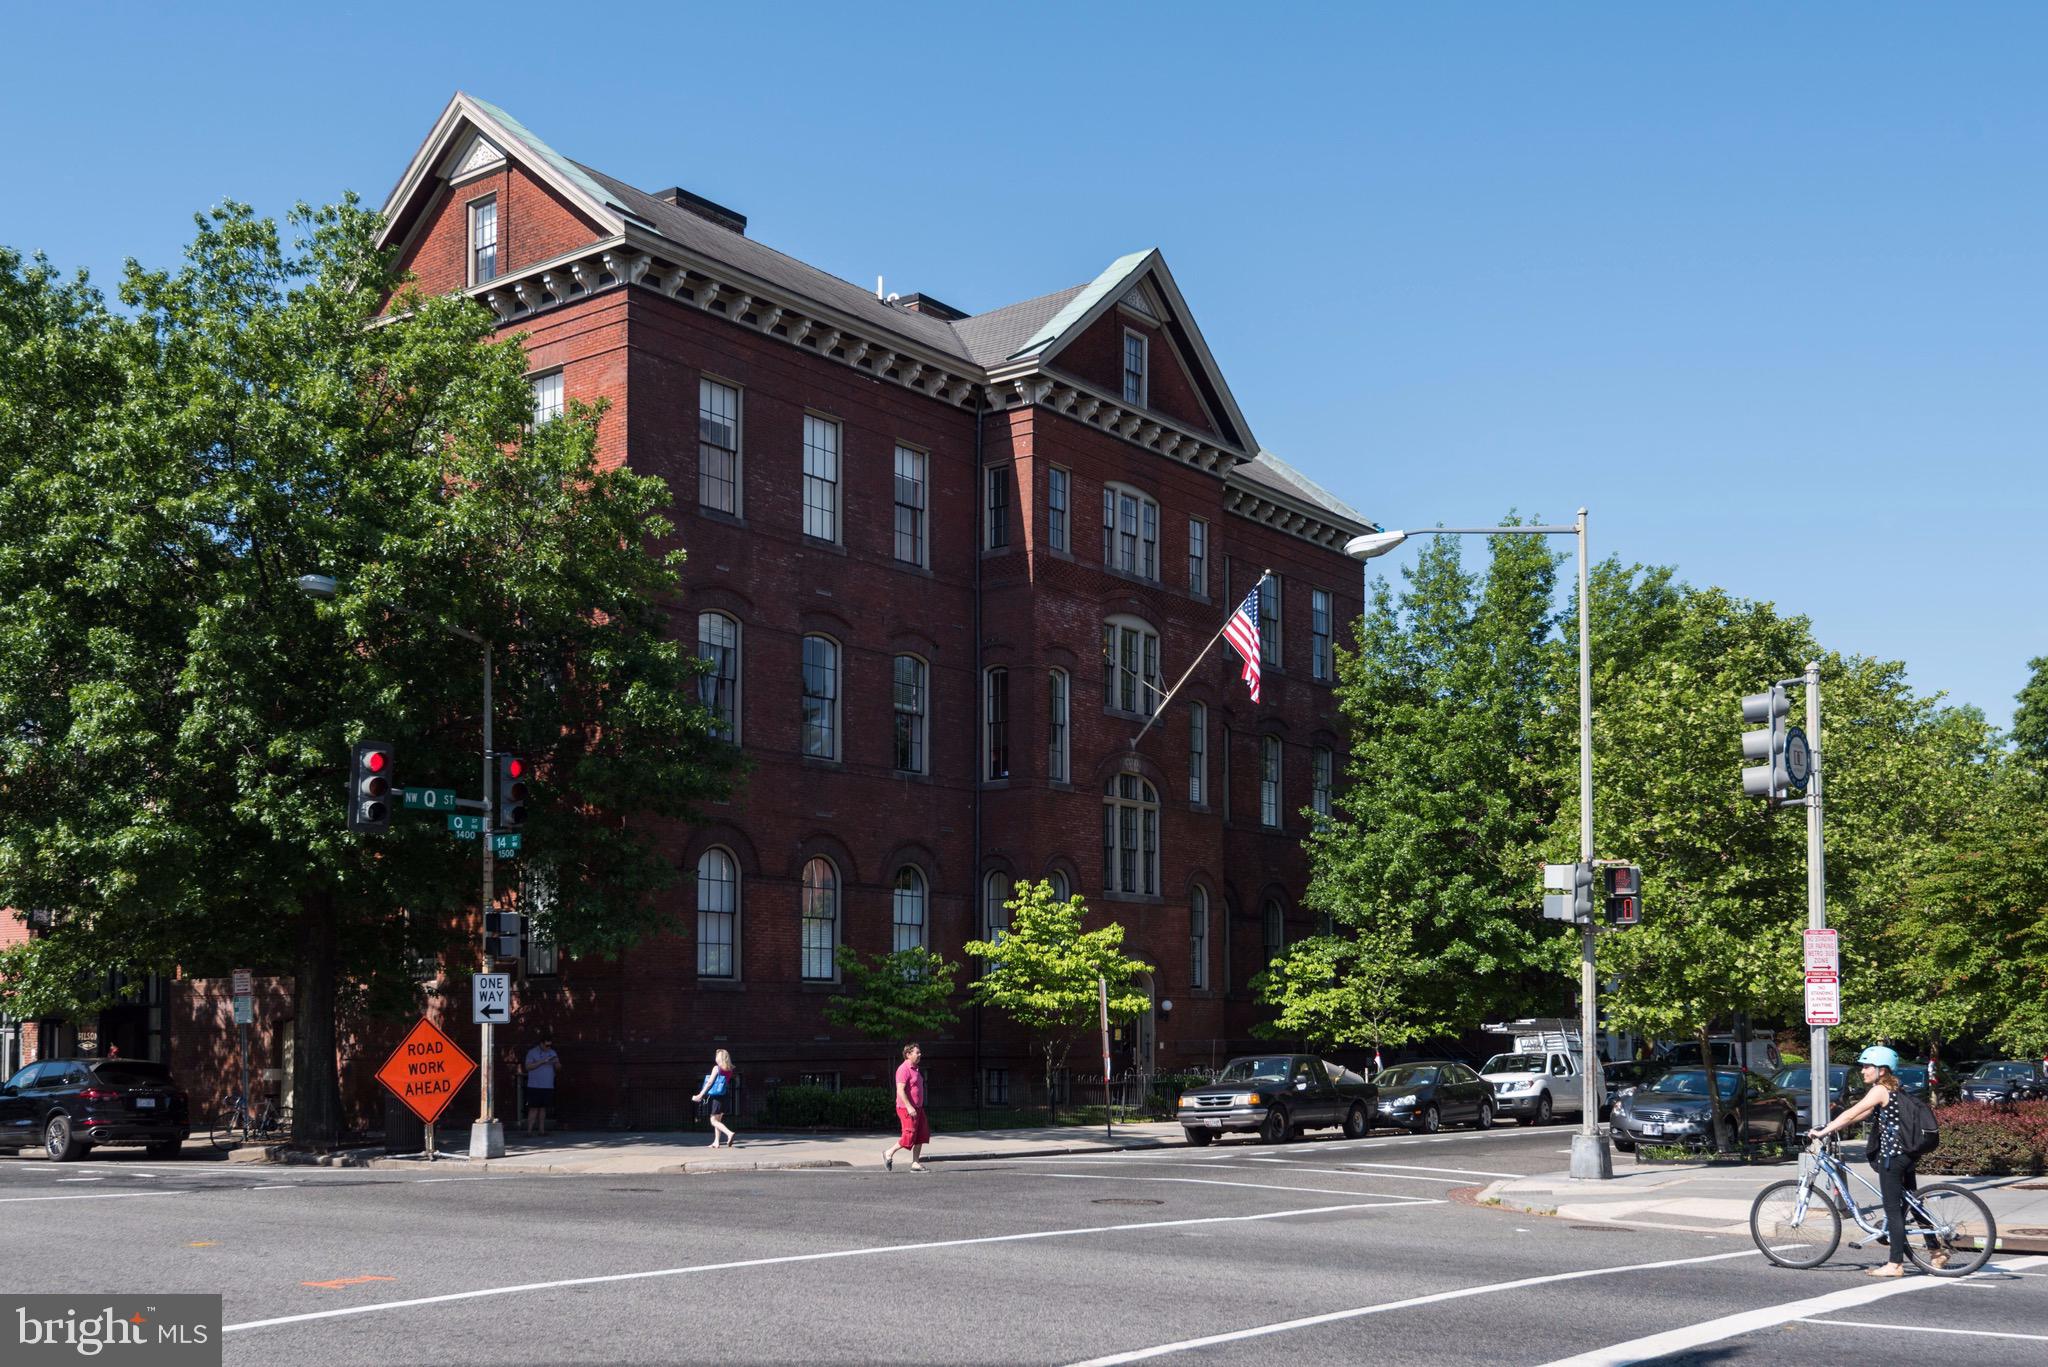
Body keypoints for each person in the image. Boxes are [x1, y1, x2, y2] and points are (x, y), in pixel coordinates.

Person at [1810, 1044, 1943, 1277]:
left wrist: (1824, 1131)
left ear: (1882, 1069)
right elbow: (1862, 1114)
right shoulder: (1894, 1088)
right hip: (1906, 1154)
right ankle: (1936, 1252)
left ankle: (1895, 1264)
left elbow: (1852, 1111)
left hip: (1893, 1157)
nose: (1863, 1071)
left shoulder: (1879, 1090)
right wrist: (1832, 1127)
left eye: (1867, 1066)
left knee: (1893, 1209)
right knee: (1912, 1204)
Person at [883, 1042, 929, 1172]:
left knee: (921, 1135)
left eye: (920, 1052)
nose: (920, 1055)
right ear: (908, 1054)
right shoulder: (903, 1069)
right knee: (909, 1135)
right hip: (906, 1108)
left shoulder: (916, 1069)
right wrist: (909, 1107)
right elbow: (900, 1090)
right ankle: (889, 1153)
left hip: (918, 1108)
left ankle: (915, 1163)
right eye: (917, 1052)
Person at [692, 1048, 738, 1148]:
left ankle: (729, 1133)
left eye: (717, 1056)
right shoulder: (729, 1069)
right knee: (718, 1120)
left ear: (720, 1058)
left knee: (713, 1121)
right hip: (724, 1096)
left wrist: (700, 1095)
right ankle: (716, 1142)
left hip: (716, 1097)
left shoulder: (717, 1068)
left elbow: (709, 1083)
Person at [522, 1031, 561, 1136]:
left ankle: (541, 1130)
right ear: (541, 1043)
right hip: (534, 1085)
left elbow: (558, 1068)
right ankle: (529, 1131)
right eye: (547, 1045)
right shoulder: (532, 1052)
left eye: (550, 1045)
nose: (548, 1047)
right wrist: (542, 1061)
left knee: (543, 1108)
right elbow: (528, 1067)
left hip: (547, 1085)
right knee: (533, 1108)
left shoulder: (552, 1052)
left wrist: (556, 1063)